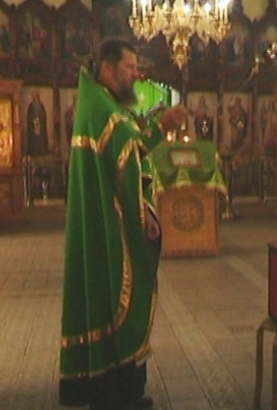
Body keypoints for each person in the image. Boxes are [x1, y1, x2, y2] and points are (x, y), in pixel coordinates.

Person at [59, 39, 186, 410]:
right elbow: (126, 155)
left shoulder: (101, 104)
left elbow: (132, 144)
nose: (136, 74)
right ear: (107, 68)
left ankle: (121, 389)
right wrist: (142, 216)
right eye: (129, 67)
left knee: (104, 295)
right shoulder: (103, 110)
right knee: (114, 292)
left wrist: (158, 128)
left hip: (104, 222)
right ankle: (115, 395)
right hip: (109, 228)